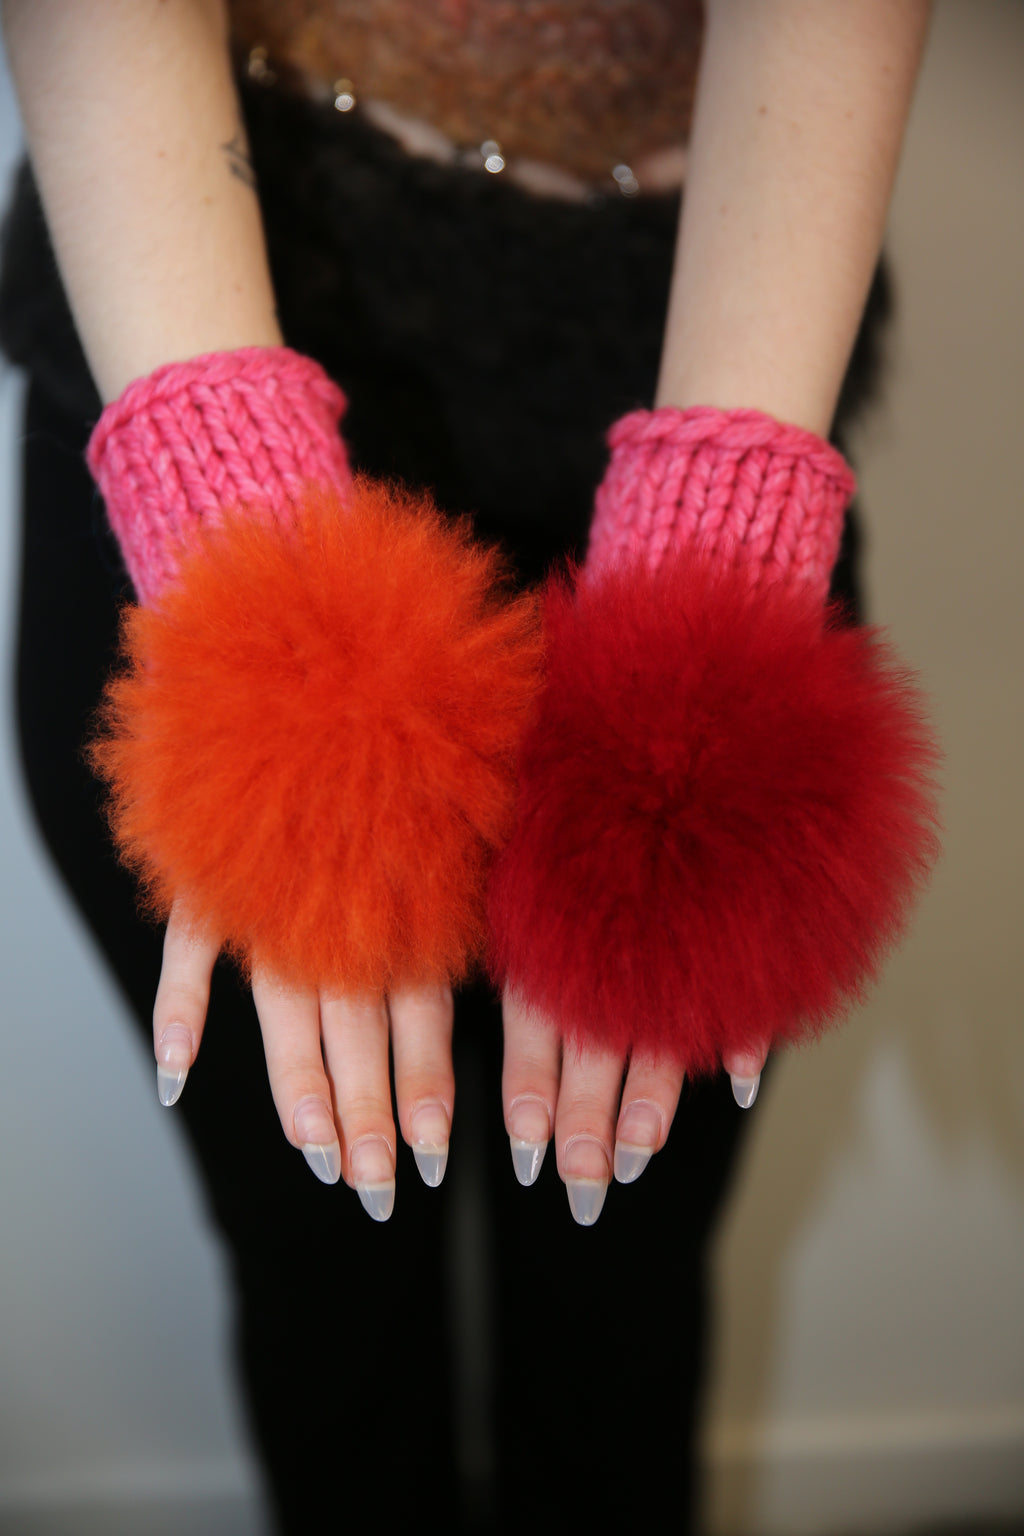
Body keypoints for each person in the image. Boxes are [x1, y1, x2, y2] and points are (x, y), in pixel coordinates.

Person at [0, 3, 934, 1532]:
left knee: (617, 1305)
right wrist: (248, 549)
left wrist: (721, 528)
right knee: (324, 1286)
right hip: (201, 304)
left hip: (712, 336)